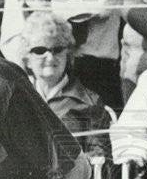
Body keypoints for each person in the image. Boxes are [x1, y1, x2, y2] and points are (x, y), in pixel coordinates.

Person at [21, 12, 112, 167]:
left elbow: (100, 158)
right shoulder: (17, 99)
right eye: (39, 50)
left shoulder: (89, 102)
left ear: (68, 55)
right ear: (27, 59)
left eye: (57, 50)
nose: (49, 57)